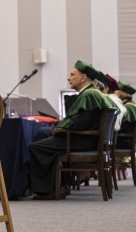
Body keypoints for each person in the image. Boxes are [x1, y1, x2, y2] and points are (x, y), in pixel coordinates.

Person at [27, 61, 116, 200]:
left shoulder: (88, 95)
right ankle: (61, 186)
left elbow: (79, 123)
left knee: (35, 147)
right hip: (89, 140)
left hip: (81, 141)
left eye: (72, 75)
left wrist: (59, 128)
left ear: (83, 77)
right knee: (45, 140)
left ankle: (50, 190)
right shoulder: (94, 93)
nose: (69, 78)